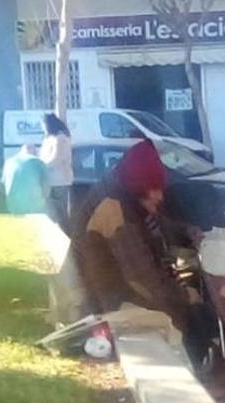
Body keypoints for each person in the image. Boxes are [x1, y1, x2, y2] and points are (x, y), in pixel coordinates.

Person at [71, 139, 215, 369]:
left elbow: (156, 222)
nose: (160, 196)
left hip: (122, 287)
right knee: (191, 314)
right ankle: (195, 368)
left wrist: (187, 232)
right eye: (154, 191)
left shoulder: (127, 193)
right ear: (140, 188)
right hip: (112, 300)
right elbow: (141, 278)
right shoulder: (114, 209)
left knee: (190, 303)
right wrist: (184, 297)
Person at [39, 113, 73, 230]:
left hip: (60, 180)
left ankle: (66, 234)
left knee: (61, 212)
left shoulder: (60, 138)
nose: (43, 128)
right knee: (50, 210)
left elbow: (57, 158)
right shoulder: (49, 138)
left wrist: (43, 166)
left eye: (43, 125)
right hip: (50, 180)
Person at [2, 144, 48, 215]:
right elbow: (46, 186)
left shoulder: (8, 162)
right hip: (34, 205)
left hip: (13, 204)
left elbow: (4, 183)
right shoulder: (38, 162)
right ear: (34, 152)